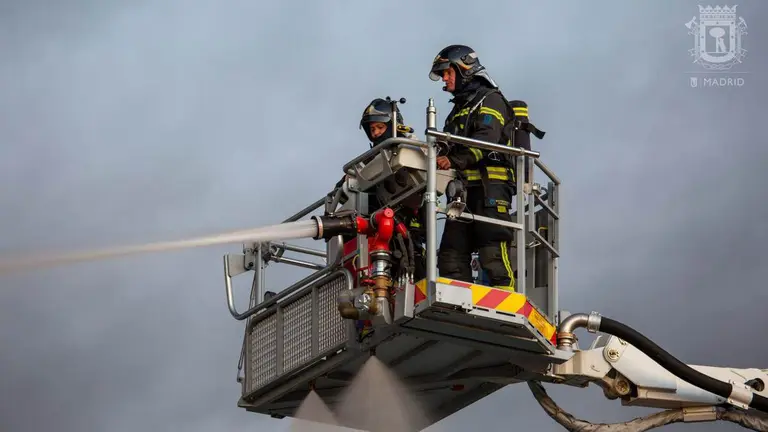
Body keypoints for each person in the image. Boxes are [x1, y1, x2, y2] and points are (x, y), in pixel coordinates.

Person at [428, 44, 544, 291]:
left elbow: (486, 139)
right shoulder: (457, 111)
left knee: (492, 253)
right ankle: (458, 305)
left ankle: (505, 305)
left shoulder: (490, 99)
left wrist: (454, 160)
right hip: (461, 194)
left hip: (491, 189)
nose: (445, 79)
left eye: (448, 72)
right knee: (450, 257)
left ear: (465, 69)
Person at [336, 98, 427, 282]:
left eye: (380, 127)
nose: (376, 133)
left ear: (393, 126)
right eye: (372, 129)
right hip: (380, 232)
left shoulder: (410, 149)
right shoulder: (370, 160)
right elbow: (342, 190)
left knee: (417, 278)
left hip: (408, 230)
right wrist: (346, 182)